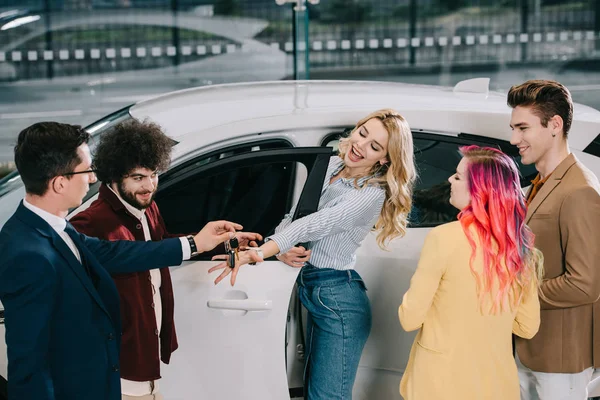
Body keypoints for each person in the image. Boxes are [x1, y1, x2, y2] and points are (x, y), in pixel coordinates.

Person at [0, 122, 258, 400]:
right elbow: (28, 362)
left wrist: (198, 243)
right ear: (59, 182)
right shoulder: (27, 251)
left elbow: (117, 253)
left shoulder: (57, 227)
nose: (91, 179)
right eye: (87, 171)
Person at [210, 108, 417, 399]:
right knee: (313, 393)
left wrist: (258, 253)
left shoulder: (371, 193)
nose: (360, 145)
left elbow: (315, 223)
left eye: (375, 146)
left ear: (384, 159)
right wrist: (279, 249)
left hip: (338, 299)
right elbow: (294, 216)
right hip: (314, 290)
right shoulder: (330, 165)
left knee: (326, 397)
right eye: (363, 133)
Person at [398, 145, 543, 400]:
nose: (450, 180)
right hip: (496, 386)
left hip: (439, 384)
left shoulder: (443, 238)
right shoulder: (521, 251)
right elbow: (527, 327)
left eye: (458, 176)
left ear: (480, 190)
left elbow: (409, 318)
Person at [508, 80, 600, 399]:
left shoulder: (580, 191)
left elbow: (584, 283)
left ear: (554, 125)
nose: (514, 139)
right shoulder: (539, 184)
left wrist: (515, 295)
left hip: (559, 360)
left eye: (522, 128)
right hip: (529, 346)